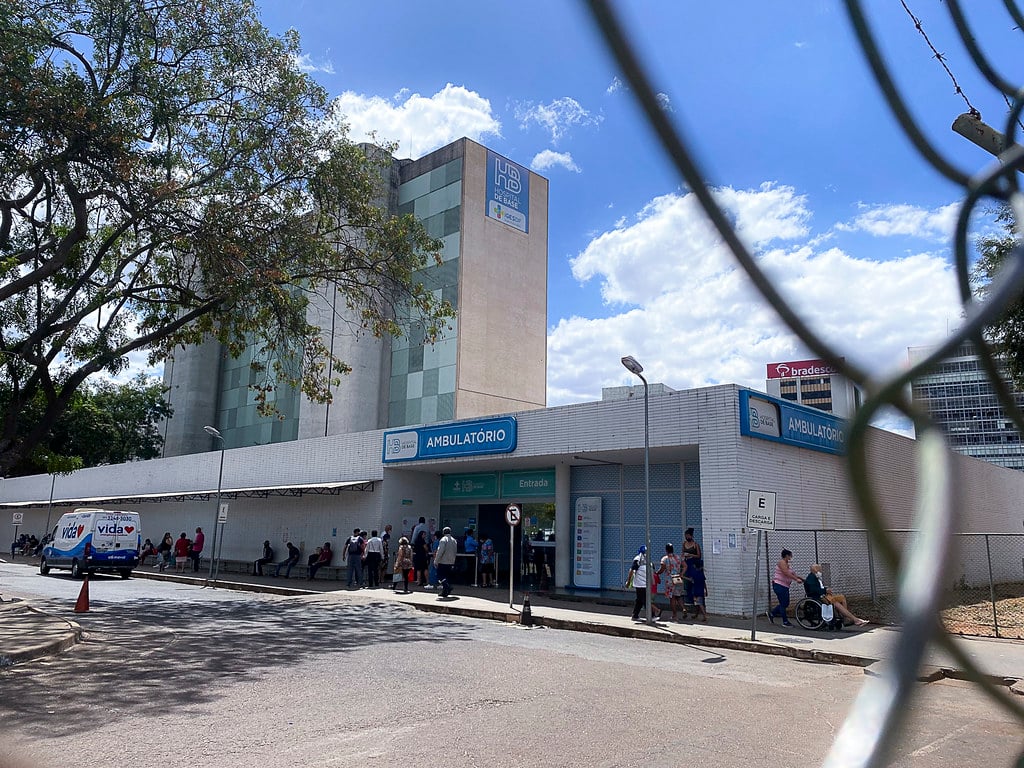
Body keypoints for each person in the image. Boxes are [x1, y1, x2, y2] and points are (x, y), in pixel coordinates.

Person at [767, 548, 801, 627]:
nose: (791, 557)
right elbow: (785, 573)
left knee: (786, 603)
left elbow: (792, 573)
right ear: (786, 555)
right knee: (783, 603)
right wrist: (796, 579)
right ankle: (785, 622)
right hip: (779, 585)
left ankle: (772, 613)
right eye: (790, 556)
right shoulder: (782, 562)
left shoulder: (787, 564)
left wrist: (801, 578)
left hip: (785, 586)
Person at [627, 546, 662, 622]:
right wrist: (628, 581)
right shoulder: (638, 559)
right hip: (640, 584)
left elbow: (652, 571)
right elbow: (632, 570)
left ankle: (635, 615)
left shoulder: (648, 561)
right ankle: (651, 616)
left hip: (645, 584)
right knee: (645, 600)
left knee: (640, 600)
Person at [656, 542, 685, 621]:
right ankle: (683, 608)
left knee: (672, 598)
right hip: (678, 579)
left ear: (666, 550)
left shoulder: (665, 559)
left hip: (670, 580)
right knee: (678, 596)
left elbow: (662, 569)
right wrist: (681, 574)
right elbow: (685, 566)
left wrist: (657, 573)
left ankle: (674, 615)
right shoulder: (678, 557)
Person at [434, 526, 458, 598]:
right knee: (446, 576)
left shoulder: (443, 540)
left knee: (440, 575)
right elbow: (455, 551)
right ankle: (444, 592)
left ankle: (447, 586)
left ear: (443, 532)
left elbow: (440, 551)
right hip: (451, 561)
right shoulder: (454, 540)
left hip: (443, 561)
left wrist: (436, 560)